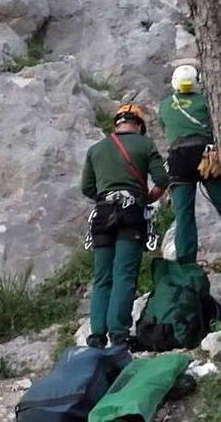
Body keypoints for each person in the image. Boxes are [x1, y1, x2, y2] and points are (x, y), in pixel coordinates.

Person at [81, 104, 169, 348]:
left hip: (102, 213)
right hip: (131, 212)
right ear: (139, 125)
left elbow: (87, 188)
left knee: (102, 277)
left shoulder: (96, 149)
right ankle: (119, 333)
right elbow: (162, 179)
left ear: (116, 124)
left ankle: (97, 335)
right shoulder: (145, 145)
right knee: (124, 274)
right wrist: (149, 196)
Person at [159, 65, 221, 264]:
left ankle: (186, 263)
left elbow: (164, 128)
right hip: (205, 156)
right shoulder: (205, 101)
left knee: (184, 214)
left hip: (178, 159)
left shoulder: (166, 105)